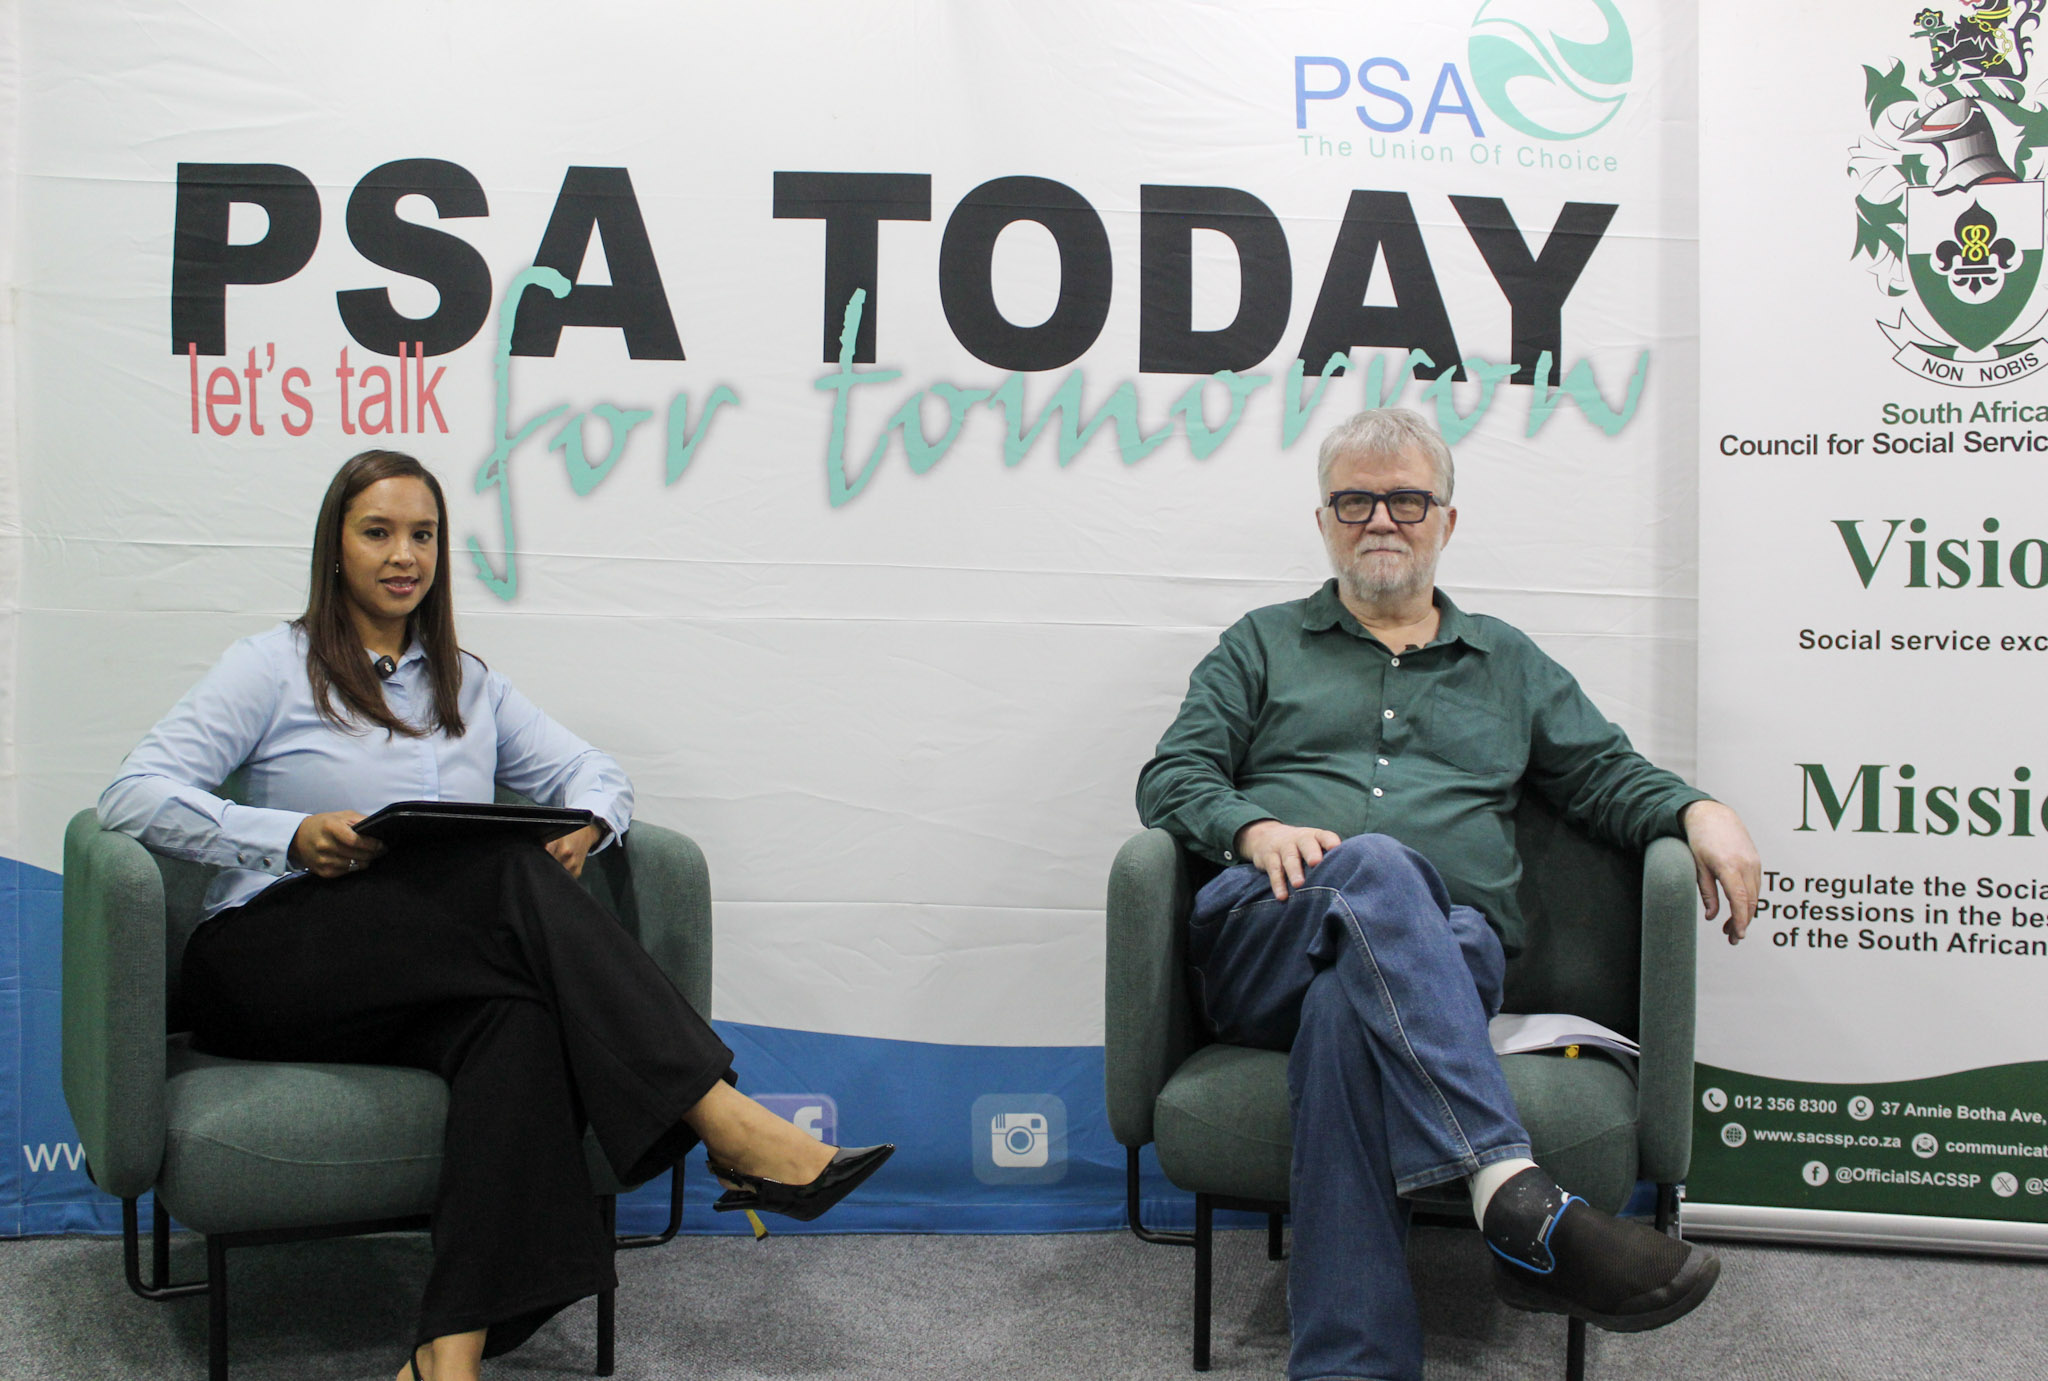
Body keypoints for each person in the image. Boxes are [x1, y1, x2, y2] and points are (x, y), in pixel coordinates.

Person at [99, 450, 892, 1381]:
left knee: (515, 1024)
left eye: (423, 535)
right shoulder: (271, 667)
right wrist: (287, 834)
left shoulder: (470, 686)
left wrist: (592, 822)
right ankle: (724, 1118)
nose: (404, 555)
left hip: (418, 972)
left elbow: (596, 772)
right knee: (509, 872)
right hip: (268, 960)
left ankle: (448, 1356)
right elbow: (130, 793)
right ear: (336, 548)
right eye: (378, 532)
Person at [1135, 408, 1761, 1381]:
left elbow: (1602, 774)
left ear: (1446, 520)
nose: (1380, 518)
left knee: (1348, 1010)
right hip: (1267, 933)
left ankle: (1352, 1363)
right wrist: (1251, 829)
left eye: (1405, 499)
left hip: (1449, 955)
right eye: (1354, 500)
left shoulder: (1507, 662)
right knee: (1377, 865)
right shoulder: (1259, 644)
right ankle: (1510, 1190)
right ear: (1323, 520)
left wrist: (1697, 807)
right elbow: (1172, 775)